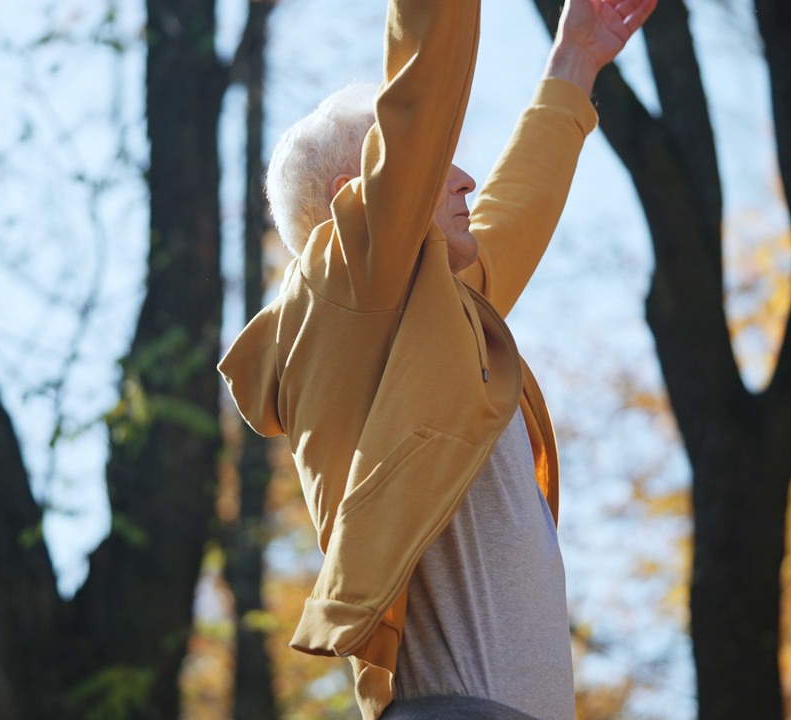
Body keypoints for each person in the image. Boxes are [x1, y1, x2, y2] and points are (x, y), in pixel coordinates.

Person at [219, 0, 655, 717]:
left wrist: (574, 58)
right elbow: (428, 72)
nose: (465, 180)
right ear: (353, 200)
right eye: (435, 164)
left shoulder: (431, 317)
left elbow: (514, 210)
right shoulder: (354, 278)